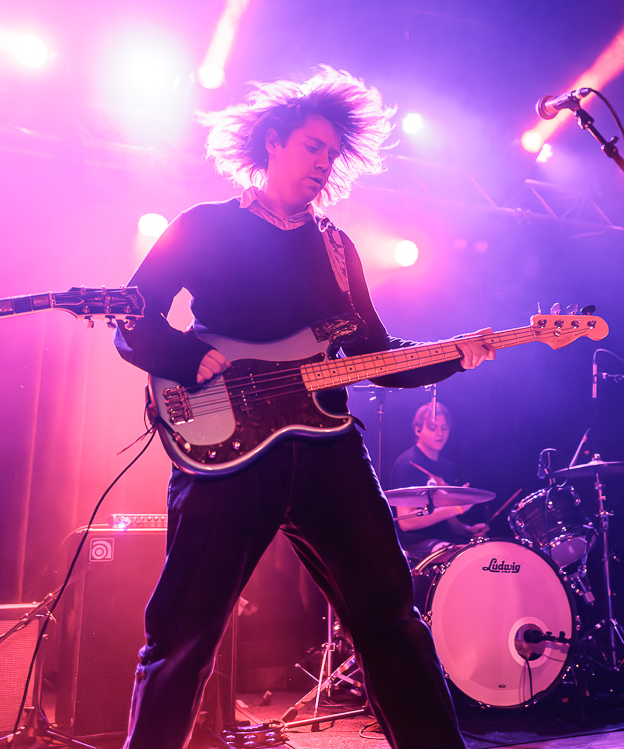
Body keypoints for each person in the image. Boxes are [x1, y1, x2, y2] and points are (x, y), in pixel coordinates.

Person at [113, 66, 494, 749]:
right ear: (273, 141)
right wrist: (185, 356)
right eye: (313, 147)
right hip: (227, 451)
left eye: (332, 153)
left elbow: (376, 353)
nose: (324, 163)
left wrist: (455, 354)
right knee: (183, 635)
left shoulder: (337, 247)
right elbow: (131, 318)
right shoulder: (204, 226)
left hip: (327, 451)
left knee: (390, 617)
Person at [386, 400, 488, 561]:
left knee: (485, 554)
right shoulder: (408, 463)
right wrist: (457, 508)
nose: (440, 434)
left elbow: (448, 521)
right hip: (416, 544)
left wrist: (466, 529)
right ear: (418, 430)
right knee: (458, 558)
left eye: (444, 428)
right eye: (433, 428)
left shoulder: (446, 466)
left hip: (444, 540)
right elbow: (407, 523)